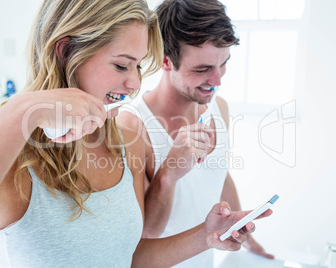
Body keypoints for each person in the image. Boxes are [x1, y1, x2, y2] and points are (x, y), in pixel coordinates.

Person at [0, 0, 273, 266]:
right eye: (122, 66)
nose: (135, 83)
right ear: (66, 52)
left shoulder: (122, 144)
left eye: (137, 67)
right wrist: (23, 111)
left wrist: (207, 236)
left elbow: (129, 256)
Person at [117, 0, 275, 267]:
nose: (217, 81)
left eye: (223, 63)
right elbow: (144, 235)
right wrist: (168, 173)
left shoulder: (218, 108)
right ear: (166, 61)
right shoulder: (133, 126)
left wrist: (248, 240)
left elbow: (219, 175)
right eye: (202, 70)